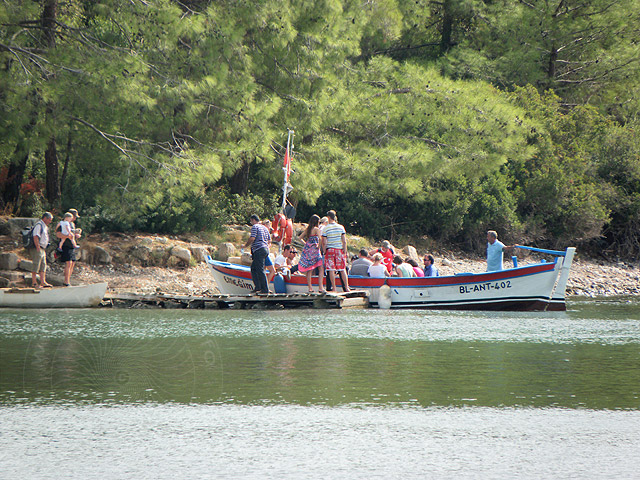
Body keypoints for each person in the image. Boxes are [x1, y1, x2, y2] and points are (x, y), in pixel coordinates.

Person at [321, 210, 350, 292]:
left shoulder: (326, 228)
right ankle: (346, 287)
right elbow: (344, 241)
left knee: (331, 269)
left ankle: (334, 288)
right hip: (339, 249)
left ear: (328, 217)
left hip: (330, 249)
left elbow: (324, 242)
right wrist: (345, 250)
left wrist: (324, 251)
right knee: (342, 268)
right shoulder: (341, 227)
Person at [243, 214, 271, 294]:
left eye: (251, 221)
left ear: (253, 220)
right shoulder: (265, 228)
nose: (251, 223)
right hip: (265, 249)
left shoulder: (255, 227)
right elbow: (269, 240)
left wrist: (245, 245)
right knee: (254, 268)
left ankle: (265, 289)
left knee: (260, 270)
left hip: (259, 250)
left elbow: (252, 238)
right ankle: (258, 287)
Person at [298, 214, 325, 293]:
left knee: (309, 269)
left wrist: (306, 244)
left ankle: (310, 288)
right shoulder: (316, 229)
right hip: (315, 251)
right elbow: (320, 238)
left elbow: (299, 238)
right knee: (321, 268)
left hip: (308, 250)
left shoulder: (308, 229)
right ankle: (320, 287)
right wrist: (318, 246)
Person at [30, 212, 53, 288]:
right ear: (45, 218)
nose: (50, 221)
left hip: (43, 248)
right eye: (49, 220)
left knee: (43, 265)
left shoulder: (45, 226)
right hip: (38, 248)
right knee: (36, 264)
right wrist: (37, 246)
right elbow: (35, 236)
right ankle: (34, 282)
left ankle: (43, 282)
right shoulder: (39, 225)